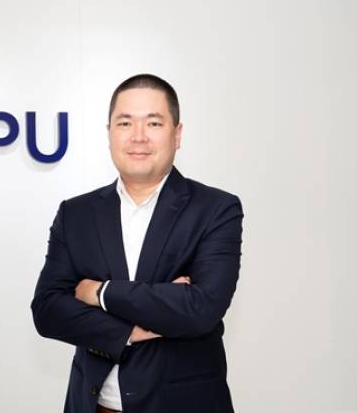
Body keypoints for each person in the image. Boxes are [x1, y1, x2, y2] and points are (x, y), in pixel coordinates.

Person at [31, 74, 243, 413]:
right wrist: (130, 329)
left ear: (177, 134)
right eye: (125, 122)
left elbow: (201, 309)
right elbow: (47, 310)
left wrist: (98, 293)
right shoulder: (76, 214)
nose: (138, 136)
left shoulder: (216, 209)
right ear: (109, 133)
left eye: (154, 123)